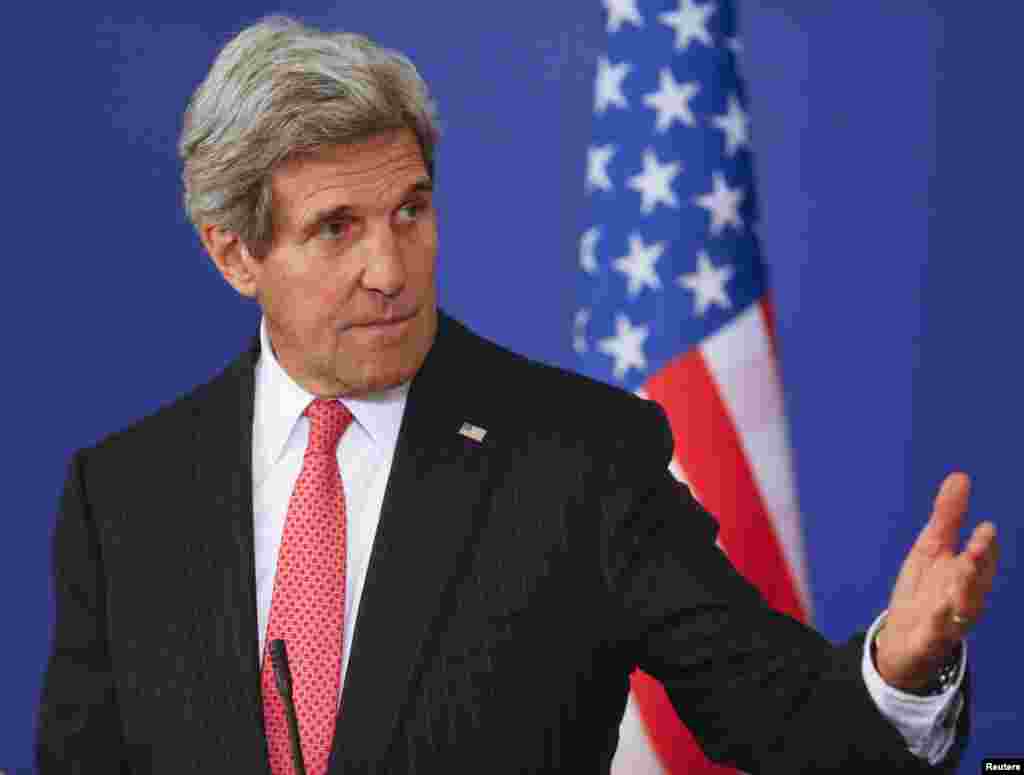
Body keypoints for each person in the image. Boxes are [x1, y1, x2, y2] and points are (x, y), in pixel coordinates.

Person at [35, 16, 999, 775]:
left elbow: (782, 717)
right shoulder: (124, 495)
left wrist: (897, 668)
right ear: (234, 251)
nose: (389, 268)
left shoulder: (581, 458)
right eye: (336, 228)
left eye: (410, 210)